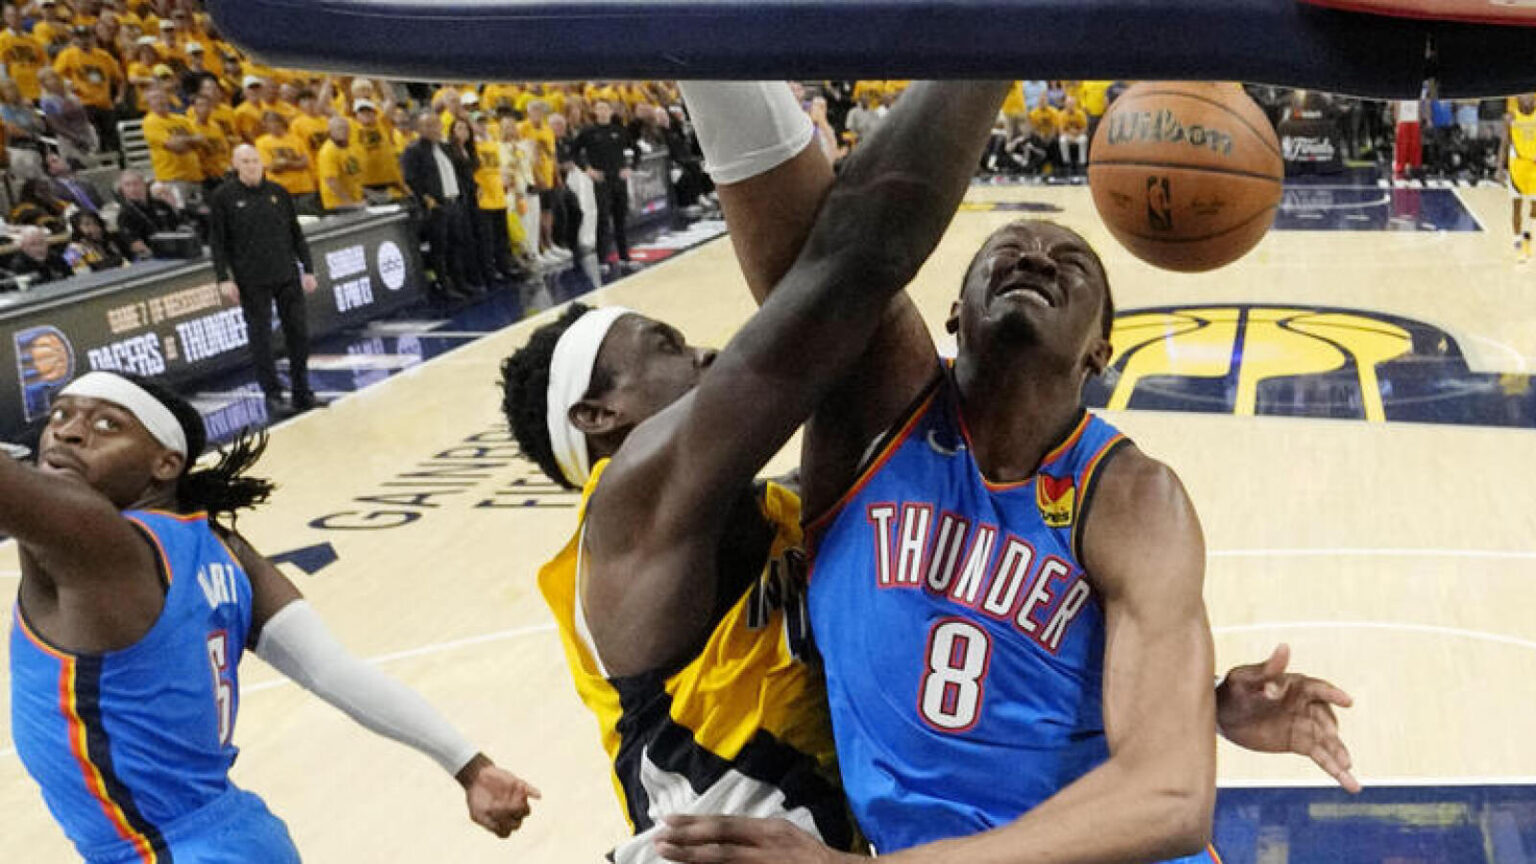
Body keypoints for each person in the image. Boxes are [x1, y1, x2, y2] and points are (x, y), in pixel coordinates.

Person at [501, 81, 1356, 864]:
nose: (714, 353)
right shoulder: (643, 510)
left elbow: (980, 691)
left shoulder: (799, 510)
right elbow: (838, 266)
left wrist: (1183, 709)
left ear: (1103, 351)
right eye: (668, 348)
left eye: (1073, 260)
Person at [9, 371, 539, 862]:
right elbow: (333, 670)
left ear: (166, 464)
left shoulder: (98, 543)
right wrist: (470, 766)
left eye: (106, 424)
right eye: (59, 416)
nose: (68, 434)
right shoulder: (225, 549)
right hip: (236, 836)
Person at [209, 144, 321, 417]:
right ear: (236, 165)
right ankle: (273, 395)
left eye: (255, 160)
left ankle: (301, 391)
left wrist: (308, 268)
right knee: (261, 339)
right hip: (251, 279)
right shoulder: (224, 197)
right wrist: (223, 278)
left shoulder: (278, 193)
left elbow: (296, 234)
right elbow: (217, 242)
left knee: (299, 334)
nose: (251, 165)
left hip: (287, 274)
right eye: (245, 161)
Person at [401, 109, 478, 299]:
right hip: (437, 205)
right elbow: (411, 178)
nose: (434, 128)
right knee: (440, 248)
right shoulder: (413, 151)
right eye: (428, 125)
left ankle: (460, 282)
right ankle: (445, 286)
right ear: (419, 128)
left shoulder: (445, 148)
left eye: (436, 124)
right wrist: (426, 198)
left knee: (457, 244)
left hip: (454, 201)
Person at [572, 99, 639, 273]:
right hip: (601, 179)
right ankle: (603, 259)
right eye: (599, 108)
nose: (602, 112)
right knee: (603, 219)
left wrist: (630, 167)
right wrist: (587, 169)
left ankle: (625, 257)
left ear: (610, 111)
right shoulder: (588, 132)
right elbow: (574, 152)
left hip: (618, 178)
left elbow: (636, 150)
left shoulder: (619, 131)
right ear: (595, 111)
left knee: (620, 218)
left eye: (605, 108)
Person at [52, 24, 123, 151]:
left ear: (92, 38)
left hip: (105, 104)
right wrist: (67, 88)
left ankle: (118, 165)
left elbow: (119, 78)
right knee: (94, 139)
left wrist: (120, 96)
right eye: (80, 37)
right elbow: (55, 76)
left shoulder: (104, 56)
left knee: (112, 140)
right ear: (74, 39)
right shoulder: (68, 55)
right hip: (83, 104)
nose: (84, 40)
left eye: (87, 37)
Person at [141, 85, 204, 204]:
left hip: (195, 176)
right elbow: (174, 146)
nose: (160, 100)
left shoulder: (181, 119)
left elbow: (201, 140)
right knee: (180, 214)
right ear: (149, 102)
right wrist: (191, 141)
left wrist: (183, 140)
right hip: (172, 179)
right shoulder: (150, 122)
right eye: (155, 98)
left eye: (162, 97)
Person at [254, 109, 318, 213]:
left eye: (276, 121)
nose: (274, 125)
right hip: (281, 190)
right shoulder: (261, 143)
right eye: (270, 122)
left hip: (304, 188)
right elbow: (272, 167)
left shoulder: (297, 140)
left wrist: (285, 163)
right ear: (265, 125)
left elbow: (305, 163)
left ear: (282, 122)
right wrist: (295, 164)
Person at [38, 66, 100, 166]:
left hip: (86, 132)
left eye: (53, 77)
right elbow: (56, 125)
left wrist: (88, 132)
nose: (52, 81)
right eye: (47, 79)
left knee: (95, 164)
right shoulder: (47, 101)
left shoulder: (70, 93)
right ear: (43, 84)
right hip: (69, 139)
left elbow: (83, 113)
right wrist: (77, 139)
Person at [114, 169, 183, 258]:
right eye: (127, 185)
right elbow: (136, 245)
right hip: (153, 257)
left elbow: (178, 226)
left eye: (136, 183)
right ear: (122, 190)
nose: (132, 188)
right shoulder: (124, 216)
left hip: (177, 249)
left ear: (144, 185)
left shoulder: (161, 204)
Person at [1507, 94, 1536, 262]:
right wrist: (1499, 167)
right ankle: (1517, 244)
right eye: (1522, 96)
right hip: (1516, 168)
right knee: (1516, 207)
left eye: (1530, 96)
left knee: (1534, 208)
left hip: (1533, 168)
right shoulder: (1511, 117)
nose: (1526, 98)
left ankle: (1527, 238)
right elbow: (1505, 142)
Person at [316, 113, 364, 212]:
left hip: (356, 200)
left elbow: (354, 175)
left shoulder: (349, 147)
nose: (344, 131)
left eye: (346, 128)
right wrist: (350, 203)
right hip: (338, 205)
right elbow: (331, 181)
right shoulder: (328, 151)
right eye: (339, 128)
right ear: (330, 131)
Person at [67, 209, 133, 271]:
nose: (93, 227)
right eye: (87, 224)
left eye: (95, 223)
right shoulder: (72, 251)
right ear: (77, 229)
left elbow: (132, 259)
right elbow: (82, 274)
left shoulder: (111, 240)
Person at [8, 225, 73, 284]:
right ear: (23, 247)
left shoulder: (55, 257)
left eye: (41, 243)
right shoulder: (19, 265)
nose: (39, 249)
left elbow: (72, 278)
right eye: (33, 244)